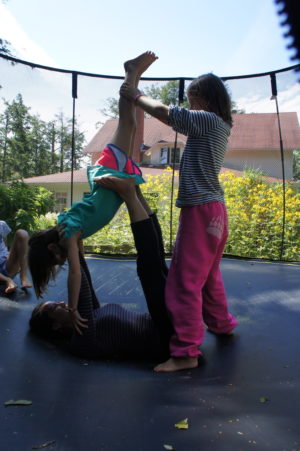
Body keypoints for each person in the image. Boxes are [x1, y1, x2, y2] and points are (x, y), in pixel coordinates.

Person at [28, 51, 158, 334]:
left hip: (108, 177)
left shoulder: (70, 234)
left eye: (57, 259)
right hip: (110, 180)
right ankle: (133, 76)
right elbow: (74, 266)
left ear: (54, 248)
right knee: (131, 125)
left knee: (128, 124)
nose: (63, 261)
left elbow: (75, 273)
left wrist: (73, 310)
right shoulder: (69, 231)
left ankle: (130, 73)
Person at [120, 72, 238, 372]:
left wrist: (134, 95)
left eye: (192, 100)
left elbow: (165, 113)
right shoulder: (221, 125)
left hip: (200, 211)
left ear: (204, 99)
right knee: (209, 276)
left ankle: (186, 352)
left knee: (184, 281)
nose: (189, 105)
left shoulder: (208, 120)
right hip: (214, 211)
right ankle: (222, 324)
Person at [29, 177, 174, 360]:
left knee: (155, 265)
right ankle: (130, 195)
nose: (61, 303)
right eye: (53, 308)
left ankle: (135, 193)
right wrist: (66, 247)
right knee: (149, 270)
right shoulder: (81, 341)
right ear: (55, 326)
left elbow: (85, 280)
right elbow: (79, 281)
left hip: (165, 324)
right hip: (165, 339)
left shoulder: (89, 317)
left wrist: (73, 242)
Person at [0, 220, 32, 294]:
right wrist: (7, 279)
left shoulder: (1, 225)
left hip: (7, 266)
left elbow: (4, 246)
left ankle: (24, 278)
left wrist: (12, 259)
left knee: (22, 233)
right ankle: (8, 280)